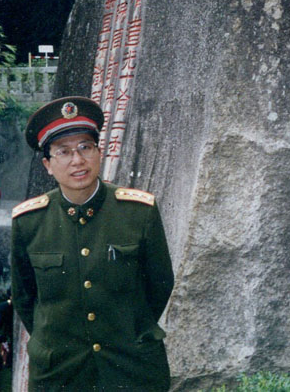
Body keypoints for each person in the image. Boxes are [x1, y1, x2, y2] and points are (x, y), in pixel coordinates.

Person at [11, 96, 174, 391]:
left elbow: (160, 284)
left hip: (131, 369)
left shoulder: (138, 212)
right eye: (64, 152)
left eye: (85, 147)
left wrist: (128, 331)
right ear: (48, 164)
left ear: (99, 153)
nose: (77, 160)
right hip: (60, 373)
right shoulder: (29, 222)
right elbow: (25, 297)